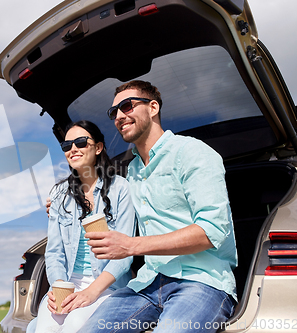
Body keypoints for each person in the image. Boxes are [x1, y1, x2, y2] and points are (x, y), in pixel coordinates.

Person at [73, 80, 238, 333]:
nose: (119, 116)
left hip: (201, 281)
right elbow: (108, 201)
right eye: (113, 112)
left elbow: (212, 230)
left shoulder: (192, 152)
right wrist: (67, 201)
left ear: (153, 108)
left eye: (126, 106)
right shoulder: (133, 171)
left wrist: (130, 246)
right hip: (147, 283)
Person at [30, 120, 136, 333]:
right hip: (68, 285)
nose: (73, 149)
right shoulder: (59, 194)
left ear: (98, 148)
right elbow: (54, 253)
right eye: (67, 146)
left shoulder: (121, 189)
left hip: (107, 287)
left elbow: (124, 256)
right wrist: (58, 287)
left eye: (80, 142)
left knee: (75, 324)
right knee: (43, 329)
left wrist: (91, 292)